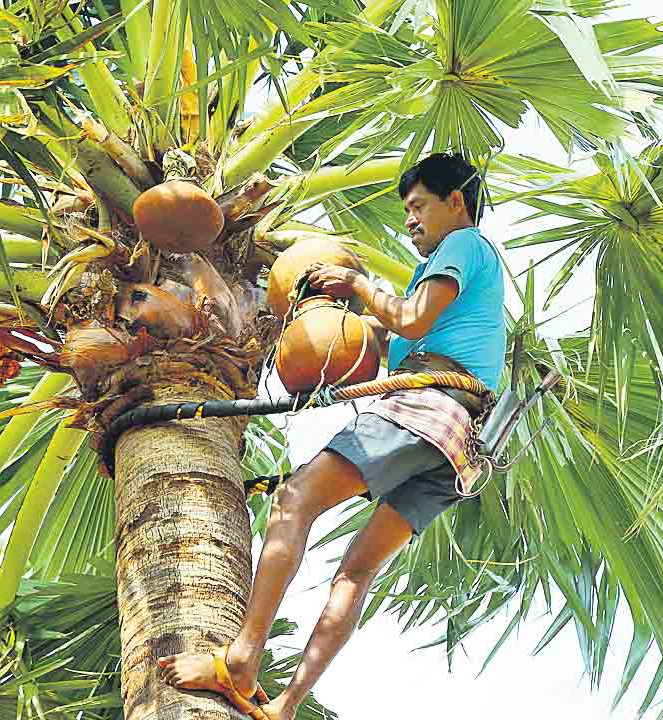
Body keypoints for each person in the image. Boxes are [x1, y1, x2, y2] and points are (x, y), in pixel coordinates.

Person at [156, 153, 507, 720]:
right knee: (357, 571)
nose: (410, 221)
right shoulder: (464, 281)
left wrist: (359, 284)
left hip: (425, 409)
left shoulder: (464, 245)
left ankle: (241, 661)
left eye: (418, 207)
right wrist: (316, 313)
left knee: (293, 503)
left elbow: (411, 319)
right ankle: (286, 706)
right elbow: (386, 341)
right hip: (457, 445)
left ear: (456, 202)